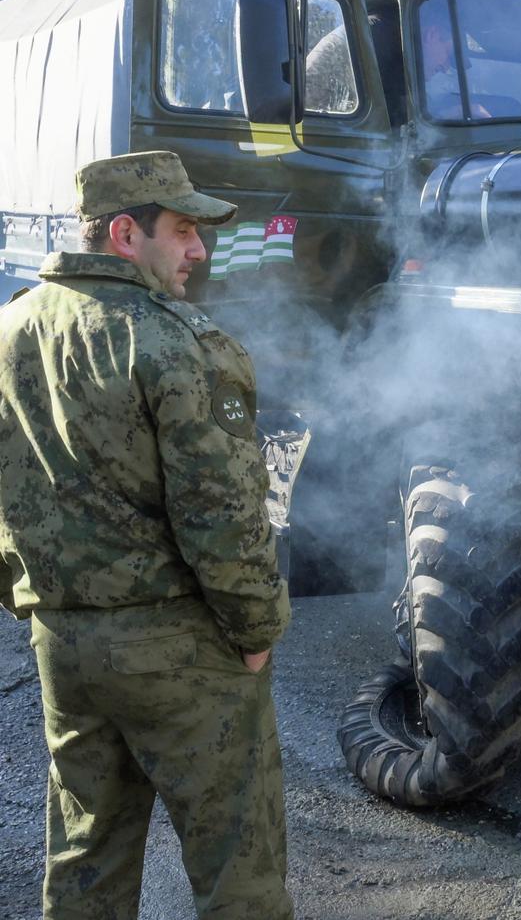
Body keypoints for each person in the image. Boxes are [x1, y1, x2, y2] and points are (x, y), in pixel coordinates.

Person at [0, 151, 293, 920]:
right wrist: (256, 629)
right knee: (239, 867)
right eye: (186, 230)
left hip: (63, 642)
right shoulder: (177, 343)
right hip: (180, 644)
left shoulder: (12, 328)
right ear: (126, 234)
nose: (199, 251)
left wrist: (25, 594)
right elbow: (224, 511)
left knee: (85, 856)